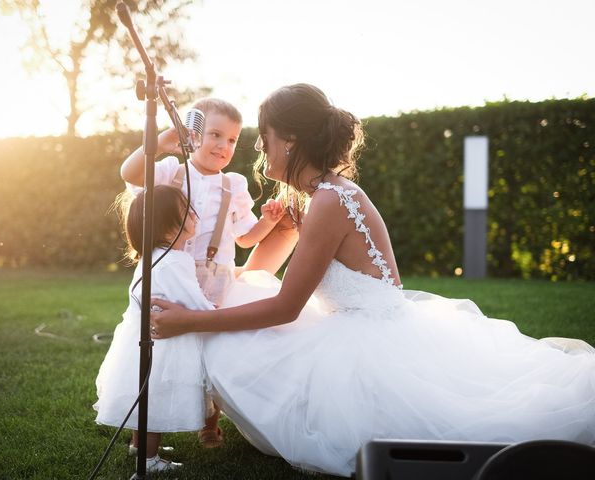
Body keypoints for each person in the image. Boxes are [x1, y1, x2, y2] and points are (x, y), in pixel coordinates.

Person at [148, 84, 595, 477]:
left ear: (289, 140)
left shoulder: (330, 200)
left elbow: (285, 306)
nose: (260, 151)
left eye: (263, 139)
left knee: (482, 420)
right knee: (240, 299)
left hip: (373, 342)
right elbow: (253, 273)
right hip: (349, 326)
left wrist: (190, 321)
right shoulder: (308, 200)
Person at [120, 98, 284, 447]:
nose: (224, 146)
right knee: (162, 353)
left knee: (211, 353)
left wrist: (268, 222)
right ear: (194, 135)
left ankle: (209, 422)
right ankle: (145, 434)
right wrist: (158, 143)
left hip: (216, 280)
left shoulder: (234, 185)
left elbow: (244, 237)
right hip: (172, 276)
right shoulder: (171, 171)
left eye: (232, 140)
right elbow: (129, 173)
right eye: (215, 135)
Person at [93, 185, 213, 473]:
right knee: (154, 398)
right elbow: (189, 301)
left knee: (146, 395)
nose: (194, 214)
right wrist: (213, 312)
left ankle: (138, 444)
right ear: (167, 228)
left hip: (141, 339)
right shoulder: (171, 261)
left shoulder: (157, 256)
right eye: (186, 211)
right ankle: (147, 461)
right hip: (161, 345)